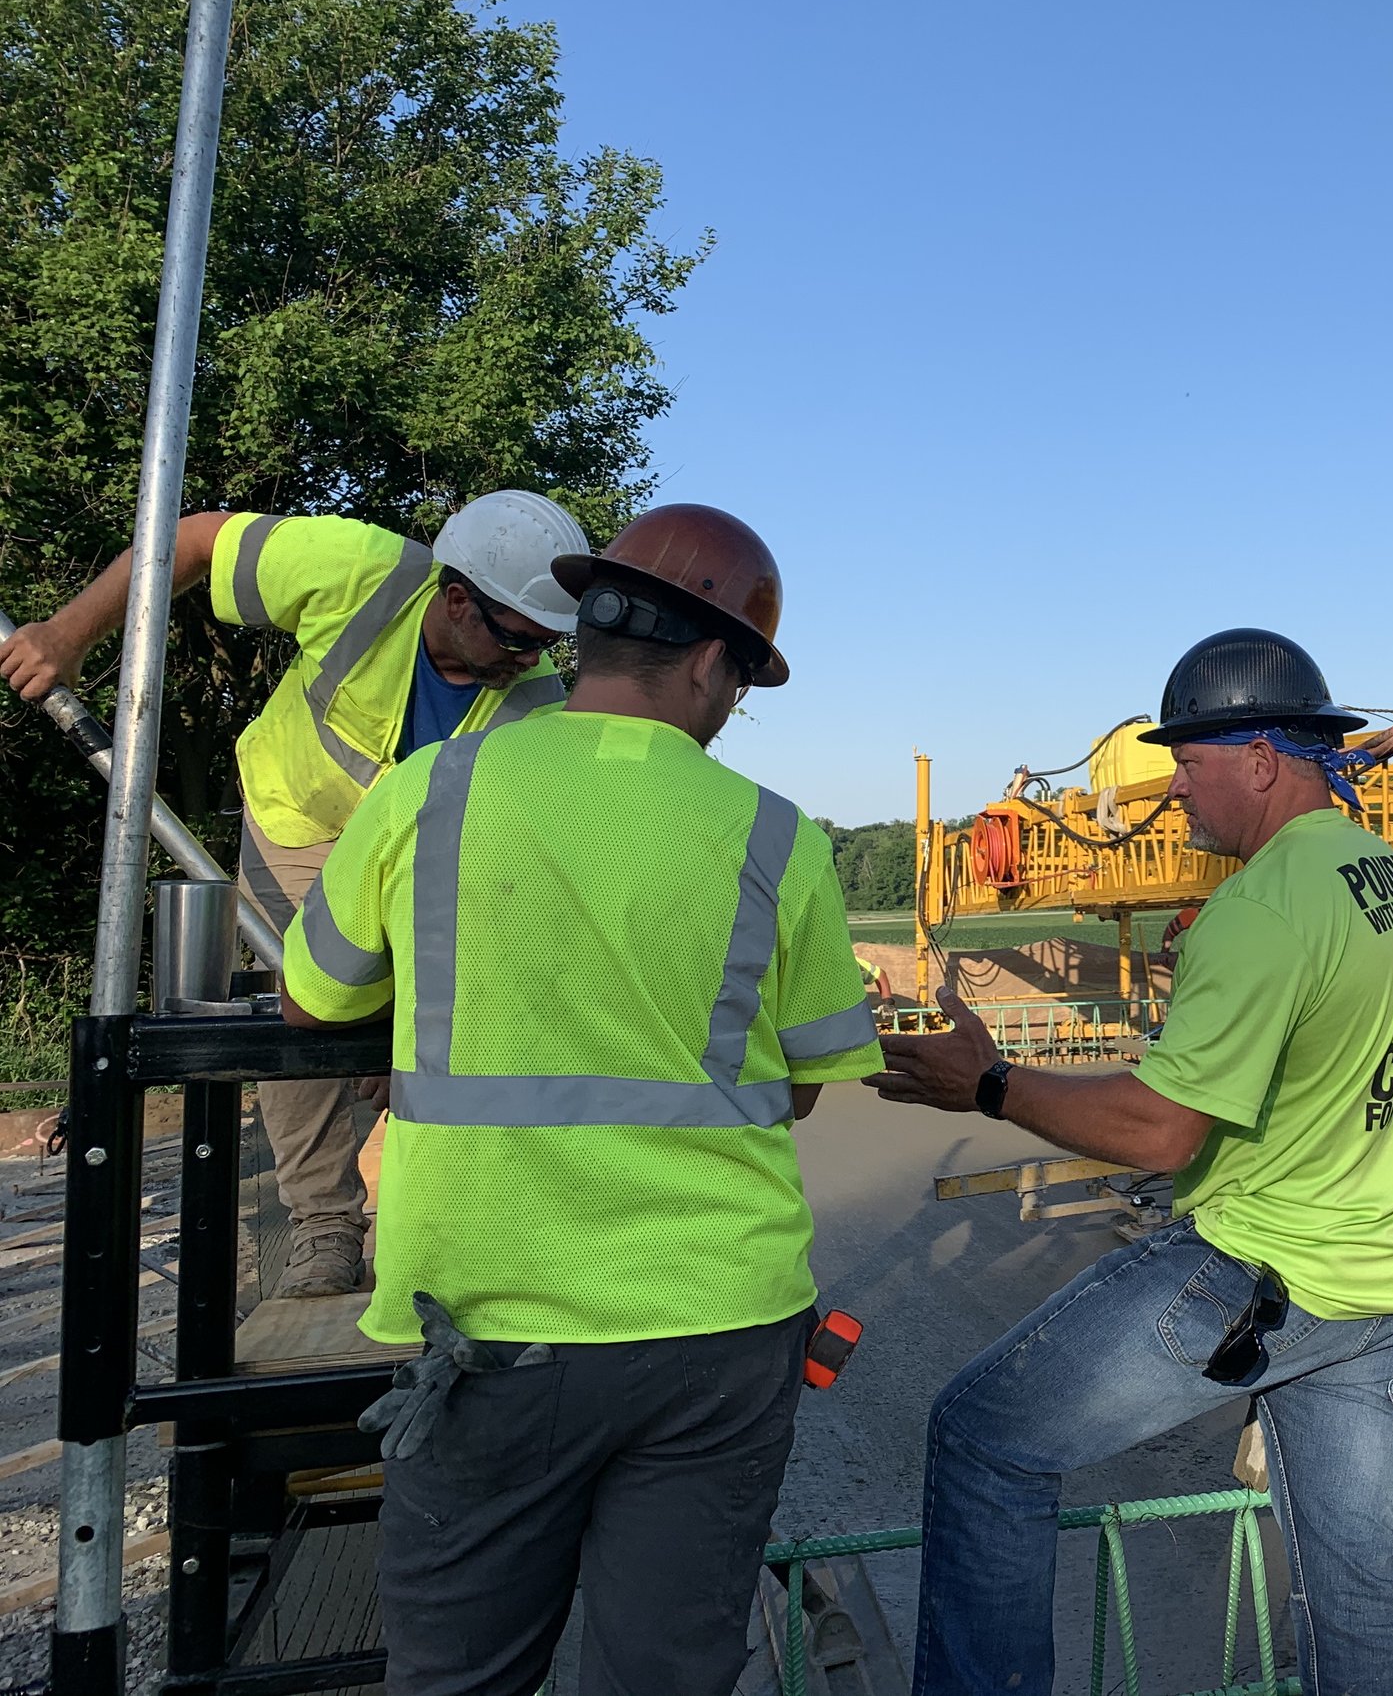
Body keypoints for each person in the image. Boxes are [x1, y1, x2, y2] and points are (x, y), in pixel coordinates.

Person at [277, 503, 883, 1696]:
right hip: (718, 1332)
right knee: (662, 1669)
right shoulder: (771, 835)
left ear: (587, 631)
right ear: (713, 662)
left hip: (483, 1321)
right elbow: (807, 1086)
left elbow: (315, 1004)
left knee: (456, 1671)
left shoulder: (425, 793)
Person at [872, 628, 1393, 1696]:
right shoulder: (1384, 876)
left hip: (1263, 1275)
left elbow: (1159, 1132)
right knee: (1353, 1581)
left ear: (1264, 758)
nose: (1172, 791)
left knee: (984, 1436)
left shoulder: (1262, 903)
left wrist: (989, 1083)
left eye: (1188, 763)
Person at [2, 492, 587, 1297]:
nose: (535, 659)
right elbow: (194, 541)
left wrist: (409, 1023)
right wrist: (67, 634)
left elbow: (496, 892)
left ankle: (453, 1223)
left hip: (422, 866)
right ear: (458, 600)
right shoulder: (363, 574)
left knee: (419, 1035)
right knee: (304, 1007)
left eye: (550, 642)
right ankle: (324, 1226)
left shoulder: (536, 709)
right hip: (299, 827)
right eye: (521, 639)